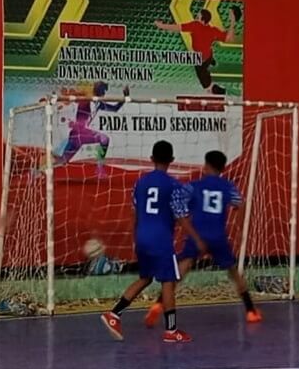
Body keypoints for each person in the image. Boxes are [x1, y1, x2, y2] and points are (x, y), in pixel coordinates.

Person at [101, 141, 204, 343]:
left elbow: (135, 213)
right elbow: (182, 216)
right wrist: (196, 237)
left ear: (151, 159)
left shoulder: (140, 182)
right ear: (172, 160)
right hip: (161, 240)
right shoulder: (174, 185)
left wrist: (134, 239)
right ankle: (171, 331)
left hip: (142, 237)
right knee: (168, 281)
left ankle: (114, 315)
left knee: (145, 278)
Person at [144, 150, 262, 325]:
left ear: (205, 166)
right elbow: (241, 204)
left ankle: (158, 305)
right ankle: (251, 311)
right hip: (218, 236)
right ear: (223, 168)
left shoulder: (195, 186)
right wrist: (237, 225)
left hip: (197, 235)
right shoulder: (227, 186)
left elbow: (177, 203)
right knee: (234, 273)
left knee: (181, 270)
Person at [55, 81, 128, 176]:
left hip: (80, 136)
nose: (104, 94)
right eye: (103, 91)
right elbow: (77, 98)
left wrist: (125, 98)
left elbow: (115, 109)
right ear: (99, 91)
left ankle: (99, 168)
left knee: (63, 160)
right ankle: (99, 168)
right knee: (104, 139)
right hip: (78, 133)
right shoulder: (86, 100)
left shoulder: (99, 104)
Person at [156, 9, 235, 96]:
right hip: (208, 55)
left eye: (197, 17)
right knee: (208, 57)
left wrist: (161, 26)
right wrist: (232, 22)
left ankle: (221, 92)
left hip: (200, 60)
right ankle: (211, 61)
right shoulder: (213, 30)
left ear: (202, 20)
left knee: (206, 86)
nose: (195, 18)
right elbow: (229, 38)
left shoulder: (195, 25)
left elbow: (177, 28)